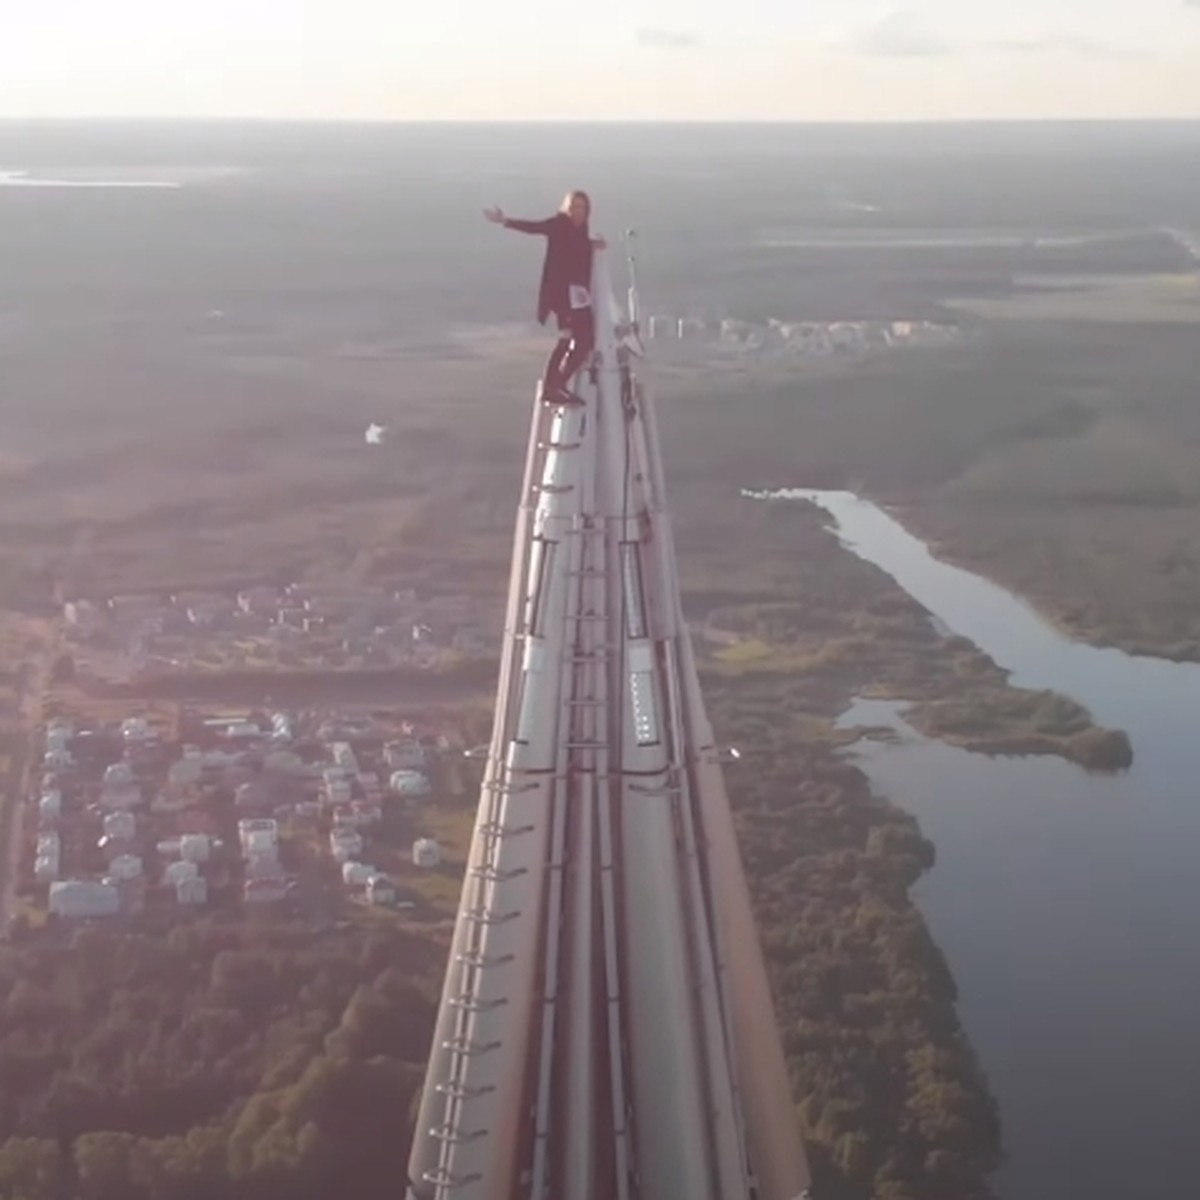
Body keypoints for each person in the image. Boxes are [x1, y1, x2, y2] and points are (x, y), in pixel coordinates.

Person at [484, 190, 607, 404]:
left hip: (577, 297)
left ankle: (556, 385)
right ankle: (554, 386)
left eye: (582, 208)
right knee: (568, 339)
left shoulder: (581, 230)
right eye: (575, 207)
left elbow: (576, 250)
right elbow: (535, 228)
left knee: (583, 341)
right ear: (567, 208)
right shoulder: (560, 224)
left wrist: (591, 245)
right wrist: (505, 220)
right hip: (562, 296)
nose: (578, 211)